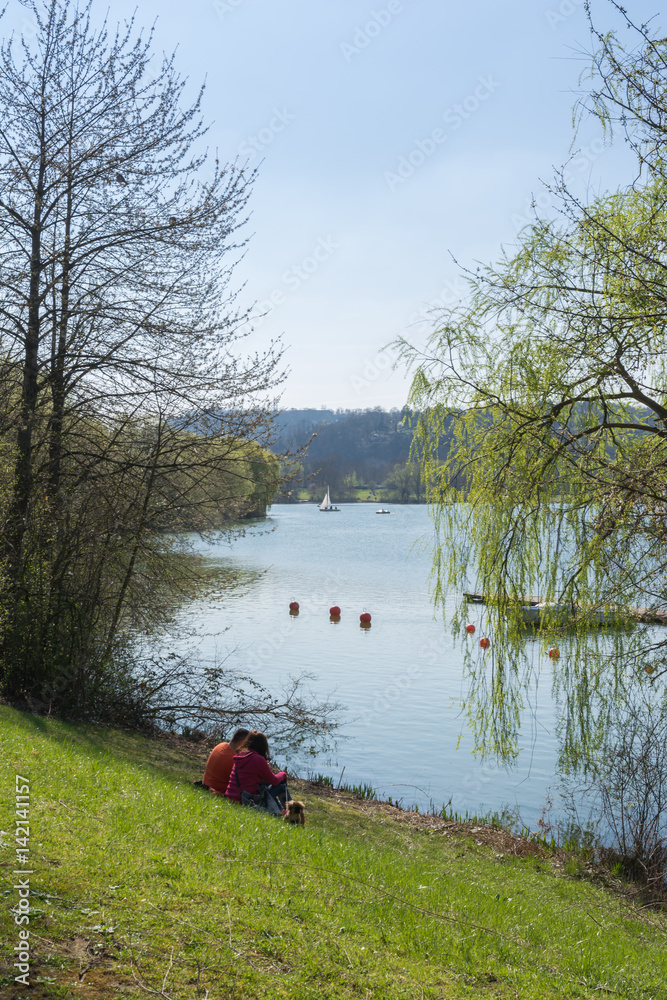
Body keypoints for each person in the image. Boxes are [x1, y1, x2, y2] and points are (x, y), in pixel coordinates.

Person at [224, 730, 288, 808]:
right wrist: (283, 774)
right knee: (281, 786)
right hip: (246, 800)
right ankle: (291, 812)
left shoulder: (240, 755)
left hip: (231, 797)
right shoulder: (258, 759)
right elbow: (274, 781)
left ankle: (281, 808)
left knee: (265, 783)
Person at [202, 728, 250, 795]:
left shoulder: (220, 745)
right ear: (241, 742)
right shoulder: (235, 759)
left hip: (206, 784)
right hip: (219, 791)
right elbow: (245, 782)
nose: (248, 749)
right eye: (247, 745)